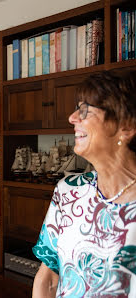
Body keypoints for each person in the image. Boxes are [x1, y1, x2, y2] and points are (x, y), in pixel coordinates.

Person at [32, 71, 136, 297]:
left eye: (85, 110)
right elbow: (48, 278)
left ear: (126, 127)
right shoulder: (68, 191)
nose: (72, 117)